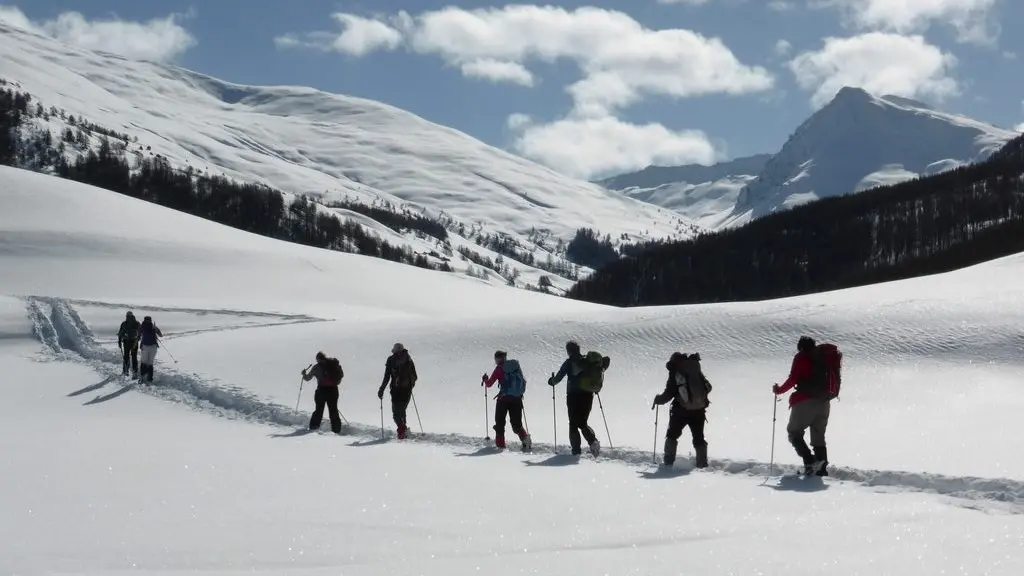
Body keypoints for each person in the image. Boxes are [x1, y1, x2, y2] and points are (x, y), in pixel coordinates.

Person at [773, 336, 831, 476]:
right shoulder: (824, 356)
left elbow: (793, 378)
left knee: (794, 432)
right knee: (818, 436)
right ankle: (821, 468)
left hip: (805, 400)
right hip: (824, 401)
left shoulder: (801, 357)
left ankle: (810, 462)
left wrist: (779, 390)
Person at [652, 352, 712, 468]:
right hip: (699, 410)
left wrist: (658, 399)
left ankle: (668, 464)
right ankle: (702, 464)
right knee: (699, 438)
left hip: (681, 411)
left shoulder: (676, 370)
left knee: (672, 435)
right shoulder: (695, 368)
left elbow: (669, 393)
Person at [548, 340, 600, 457]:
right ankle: (592, 443)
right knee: (582, 421)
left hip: (573, 396)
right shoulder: (587, 361)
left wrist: (551, 382)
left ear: (568, 351)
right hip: (587, 395)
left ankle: (580, 449)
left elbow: (558, 377)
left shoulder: (569, 362)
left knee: (574, 423)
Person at [482, 350, 532, 451]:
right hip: (517, 398)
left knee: (500, 422)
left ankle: (500, 446)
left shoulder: (499, 369)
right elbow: (523, 380)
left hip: (503, 399)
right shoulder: (515, 365)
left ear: (498, 358)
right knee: (517, 423)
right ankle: (526, 440)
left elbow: (489, 384)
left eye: (496, 359)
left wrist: (485, 379)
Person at [378, 343, 417, 439]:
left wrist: (381, 389)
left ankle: (402, 431)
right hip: (407, 390)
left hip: (396, 390)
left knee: (396, 413)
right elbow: (415, 376)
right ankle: (404, 431)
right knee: (402, 411)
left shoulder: (391, 360)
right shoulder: (408, 359)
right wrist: (410, 386)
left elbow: (387, 377)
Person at [301, 351, 344, 434]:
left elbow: (307, 378)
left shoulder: (317, 367)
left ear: (317, 359)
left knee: (319, 410)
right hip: (333, 390)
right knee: (333, 410)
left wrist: (304, 374)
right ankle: (336, 430)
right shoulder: (334, 365)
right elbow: (340, 376)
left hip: (321, 391)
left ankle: (314, 428)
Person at [137, 315, 162, 383]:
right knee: (150, 362)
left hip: (145, 346)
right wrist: (156, 329)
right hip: (153, 347)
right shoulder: (153, 326)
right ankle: (149, 378)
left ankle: (142, 376)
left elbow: (138, 336)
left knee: (144, 362)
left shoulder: (142, 327)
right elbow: (161, 335)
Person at [117, 311, 141, 378]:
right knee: (134, 357)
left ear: (126, 316)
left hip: (126, 342)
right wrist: (138, 339)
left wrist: (119, 342)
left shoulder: (124, 323)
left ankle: (125, 371)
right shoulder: (137, 323)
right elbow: (140, 332)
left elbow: (120, 333)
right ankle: (135, 373)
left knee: (126, 357)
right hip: (134, 342)